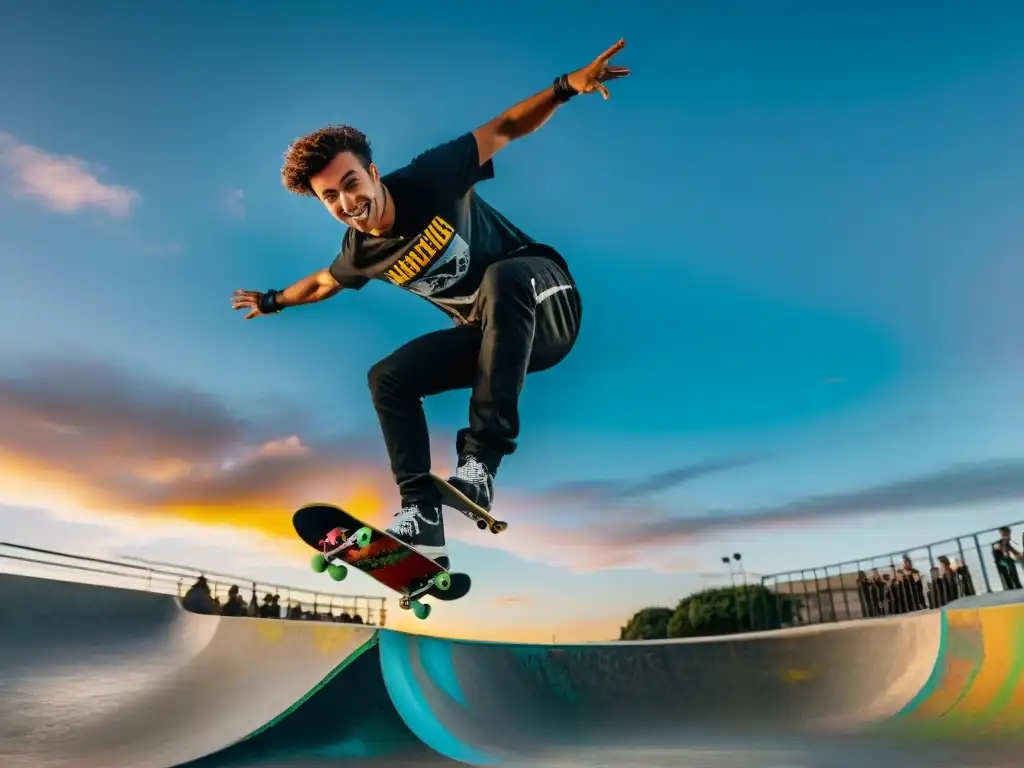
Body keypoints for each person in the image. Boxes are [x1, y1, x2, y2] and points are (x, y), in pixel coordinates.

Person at [232, 41, 630, 563]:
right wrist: (273, 300)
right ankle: (420, 512)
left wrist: (564, 88)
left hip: (546, 301)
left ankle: (480, 464)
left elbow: (504, 128)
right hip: (494, 340)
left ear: (373, 174)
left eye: (351, 184)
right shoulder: (359, 252)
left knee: (502, 278)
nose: (348, 204)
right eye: (331, 198)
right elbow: (323, 283)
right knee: (387, 378)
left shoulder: (432, 176)